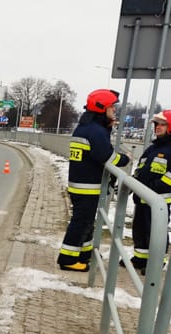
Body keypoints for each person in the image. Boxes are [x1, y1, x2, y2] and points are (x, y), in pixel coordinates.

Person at [57, 89, 131, 272]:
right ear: (101, 108)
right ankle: (67, 259)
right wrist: (126, 158)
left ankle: (83, 254)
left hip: (81, 185)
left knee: (86, 223)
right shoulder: (95, 131)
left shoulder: (86, 127)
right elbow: (108, 157)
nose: (114, 110)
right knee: (81, 223)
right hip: (87, 187)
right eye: (111, 107)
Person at [127, 110, 171, 274]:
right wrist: (134, 182)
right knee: (140, 229)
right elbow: (141, 168)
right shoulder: (153, 147)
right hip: (142, 197)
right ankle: (140, 257)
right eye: (156, 124)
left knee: (156, 231)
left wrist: (154, 187)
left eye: (162, 124)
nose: (157, 127)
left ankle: (156, 262)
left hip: (159, 201)